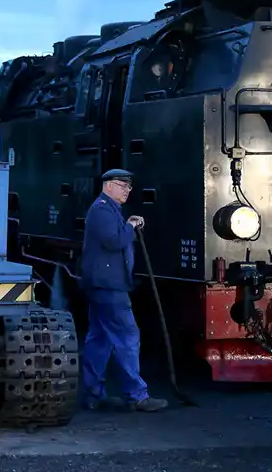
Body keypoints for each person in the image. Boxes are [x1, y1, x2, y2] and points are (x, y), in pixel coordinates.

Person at [80, 168, 168, 412]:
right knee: (127, 337)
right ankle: (137, 395)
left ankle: (93, 394)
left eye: (129, 186)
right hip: (109, 286)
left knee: (99, 339)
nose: (128, 190)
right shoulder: (101, 210)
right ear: (109, 186)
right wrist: (129, 225)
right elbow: (114, 241)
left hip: (103, 284)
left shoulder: (107, 209)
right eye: (123, 185)